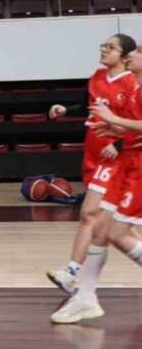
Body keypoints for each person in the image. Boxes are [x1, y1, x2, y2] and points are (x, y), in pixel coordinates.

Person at [51, 43, 142, 324]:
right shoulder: (131, 86)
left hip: (136, 166)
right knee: (101, 227)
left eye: (137, 52)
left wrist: (115, 123)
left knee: (115, 232)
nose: (131, 56)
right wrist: (116, 129)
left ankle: (79, 283)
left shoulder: (134, 85)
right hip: (125, 160)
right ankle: (85, 297)